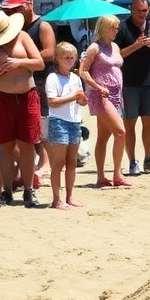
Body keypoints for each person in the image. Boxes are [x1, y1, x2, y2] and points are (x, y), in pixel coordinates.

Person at [1, 0, 55, 185]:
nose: (13, 12)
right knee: (22, 132)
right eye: (11, 10)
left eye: (17, 8)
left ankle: (45, 162)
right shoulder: (12, 28)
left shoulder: (42, 25)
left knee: (41, 124)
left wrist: (25, 58)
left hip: (39, 80)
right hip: (23, 81)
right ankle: (23, 170)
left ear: (29, 5)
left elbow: (50, 53)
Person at [0, 9, 45, 207]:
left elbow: (40, 63)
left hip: (27, 96)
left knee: (28, 144)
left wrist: (18, 63)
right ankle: (7, 190)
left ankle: (28, 189)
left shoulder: (22, 36)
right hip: (1, 97)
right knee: (6, 146)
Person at [115, 0, 150, 177]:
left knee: (149, 121)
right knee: (129, 123)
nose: (142, 14)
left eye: (145, 10)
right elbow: (116, 55)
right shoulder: (122, 28)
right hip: (128, 82)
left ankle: (148, 159)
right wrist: (136, 46)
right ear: (131, 9)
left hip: (148, 82)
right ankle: (132, 161)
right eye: (139, 11)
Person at [78, 15, 129, 189]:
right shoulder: (94, 48)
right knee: (120, 131)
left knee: (103, 136)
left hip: (115, 94)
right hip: (101, 95)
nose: (116, 31)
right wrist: (97, 87)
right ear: (104, 28)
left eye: (117, 27)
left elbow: (116, 66)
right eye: (113, 28)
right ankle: (117, 173)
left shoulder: (114, 46)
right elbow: (82, 71)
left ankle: (101, 176)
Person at [45, 41, 87, 209]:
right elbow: (53, 102)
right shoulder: (53, 78)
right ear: (57, 59)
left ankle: (70, 196)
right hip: (58, 121)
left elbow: (80, 100)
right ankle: (56, 199)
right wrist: (73, 96)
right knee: (58, 162)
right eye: (66, 58)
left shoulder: (76, 78)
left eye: (72, 58)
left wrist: (82, 100)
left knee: (72, 161)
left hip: (75, 121)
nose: (70, 60)